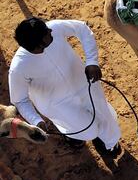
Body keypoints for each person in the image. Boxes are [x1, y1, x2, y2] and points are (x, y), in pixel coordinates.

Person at [8, 18, 122, 157]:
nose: (51, 31)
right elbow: (20, 100)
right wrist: (36, 121)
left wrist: (92, 61)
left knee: (104, 116)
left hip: (84, 83)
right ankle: (72, 135)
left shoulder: (53, 28)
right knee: (87, 130)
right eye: (47, 34)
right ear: (39, 46)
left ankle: (109, 144)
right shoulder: (19, 67)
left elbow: (82, 28)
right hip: (59, 104)